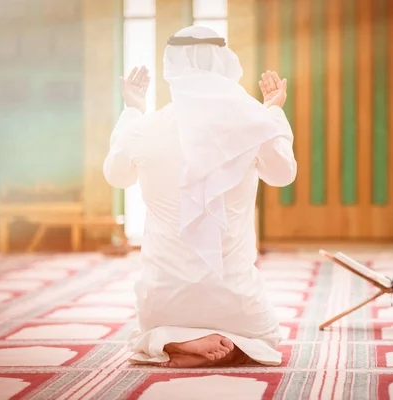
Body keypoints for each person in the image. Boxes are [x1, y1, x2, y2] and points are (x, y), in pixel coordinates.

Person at [103, 26, 297, 368]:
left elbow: (116, 176)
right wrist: (273, 111)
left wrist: (133, 109)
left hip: (162, 299)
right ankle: (234, 342)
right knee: (265, 337)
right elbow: (283, 174)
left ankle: (170, 338)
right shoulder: (252, 123)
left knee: (149, 326)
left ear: (170, 67)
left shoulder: (146, 127)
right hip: (236, 301)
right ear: (225, 63)